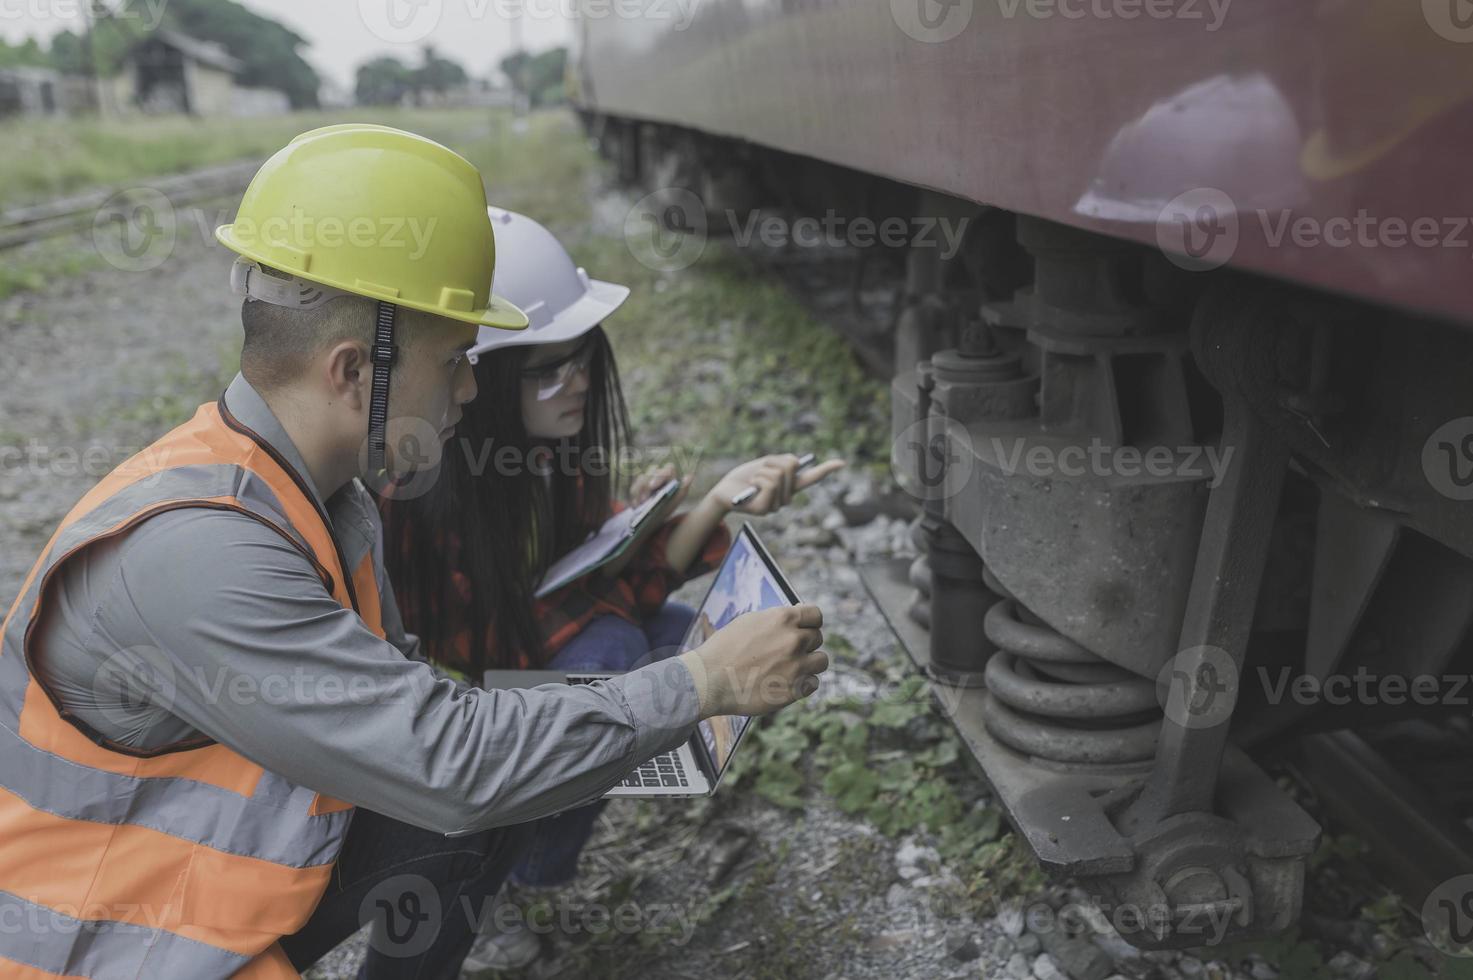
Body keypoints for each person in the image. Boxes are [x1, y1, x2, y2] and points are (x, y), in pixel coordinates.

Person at [0, 125, 830, 980]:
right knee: (467, 789)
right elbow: (451, 762)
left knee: (475, 803)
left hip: (190, 897)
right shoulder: (199, 553)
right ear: (355, 371)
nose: (473, 388)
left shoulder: (323, 498)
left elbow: (429, 735)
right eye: (457, 359)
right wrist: (706, 681)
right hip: (86, 951)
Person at [381, 208, 845, 970]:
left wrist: (719, 498)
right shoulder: (420, 503)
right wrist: (670, 674)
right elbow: (531, 632)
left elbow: (601, 573)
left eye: (585, 361)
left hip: (525, 654)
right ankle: (500, 875)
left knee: (664, 636)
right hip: (457, 703)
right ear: (481, 376)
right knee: (623, 653)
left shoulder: (548, 455)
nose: (578, 386)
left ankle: (530, 860)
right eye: (547, 370)